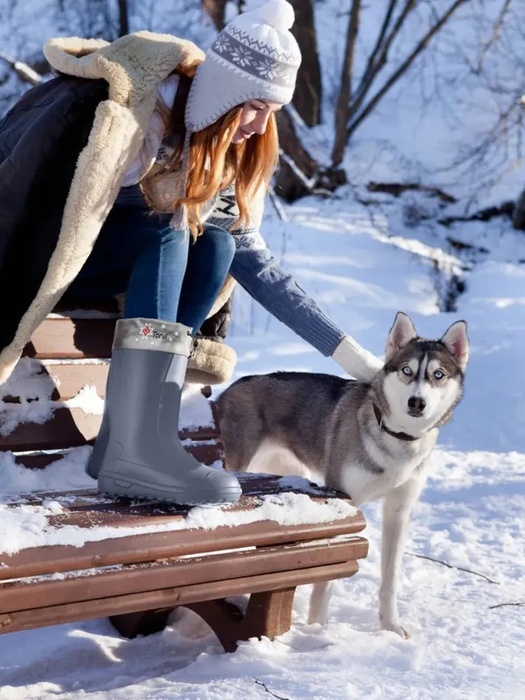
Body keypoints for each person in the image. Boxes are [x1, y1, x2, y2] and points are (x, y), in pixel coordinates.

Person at [0, 0, 382, 506]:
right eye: (254, 108)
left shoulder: (222, 154)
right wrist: (168, 207)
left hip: (128, 265)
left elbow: (259, 267)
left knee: (217, 244)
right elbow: (52, 203)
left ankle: (130, 439)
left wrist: (352, 356)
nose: (258, 127)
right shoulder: (140, 113)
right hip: (51, 253)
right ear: (226, 92)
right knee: (169, 232)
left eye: (271, 115)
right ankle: (135, 452)